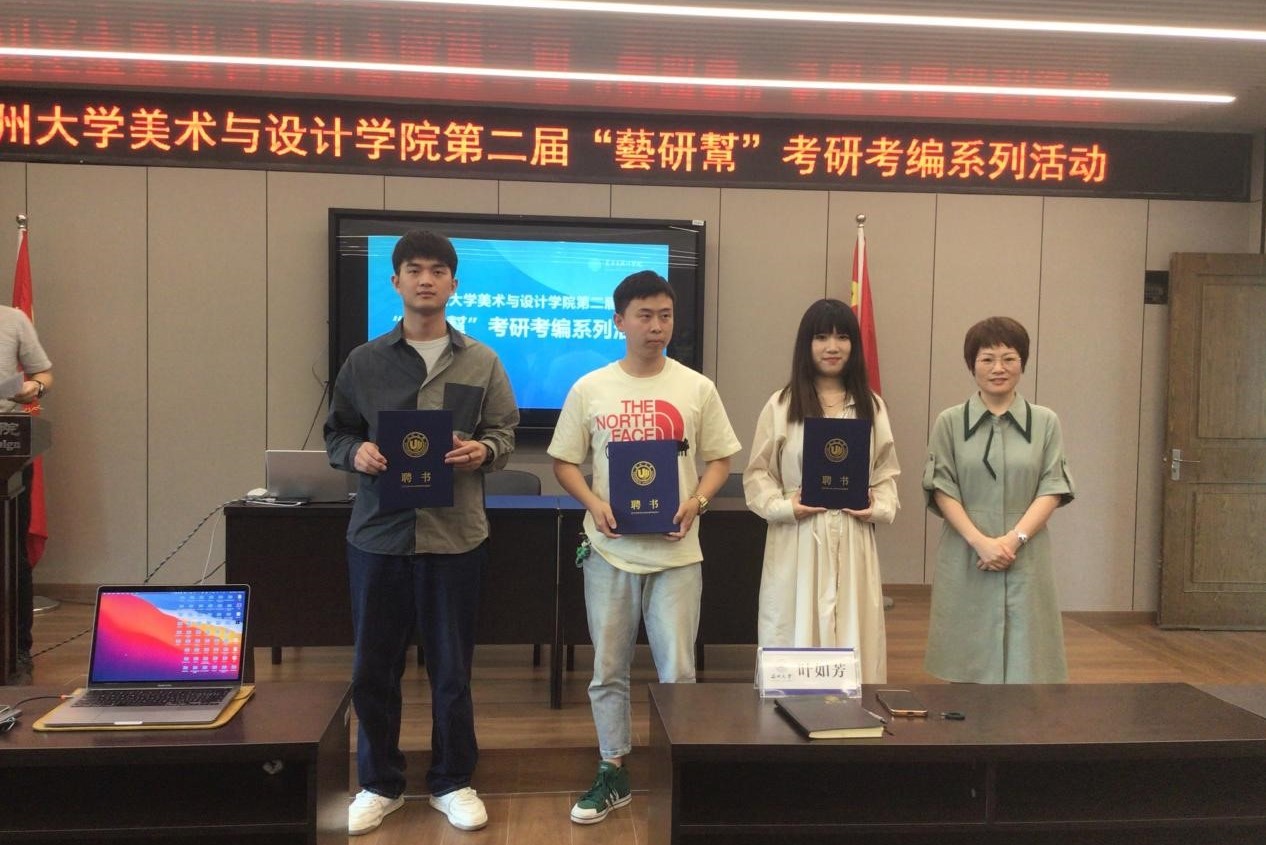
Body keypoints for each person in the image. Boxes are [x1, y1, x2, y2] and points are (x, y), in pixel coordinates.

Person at [325, 230, 519, 835]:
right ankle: (378, 783)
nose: (426, 279)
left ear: (454, 284)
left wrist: (483, 451)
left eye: (438, 270)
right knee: (372, 670)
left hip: (455, 538)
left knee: (452, 671)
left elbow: (505, 434)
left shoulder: (482, 360)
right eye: (414, 269)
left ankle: (453, 781)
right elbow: (337, 433)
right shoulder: (364, 361)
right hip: (378, 537)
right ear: (396, 281)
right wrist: (355, 454)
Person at [548, 270, 741, 825]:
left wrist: (697, 502)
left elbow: (720, 459)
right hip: (609, 553)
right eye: (645, 316)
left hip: (677, 555)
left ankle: (680, 769)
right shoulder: (590, 388)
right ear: (620, 321)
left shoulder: (696, 388)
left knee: (678, 671)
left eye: (665, 316)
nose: (657, 327)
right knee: (607, 670)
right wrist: (594, 503)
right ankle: (613, 768)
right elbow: (564, 461)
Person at [743, 299, 899, 683]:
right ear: (806, 344)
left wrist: (876, 505)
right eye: (821, 337)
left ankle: (850, 715)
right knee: (794, 629)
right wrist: (785, 506)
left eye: (842, 337)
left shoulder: (871, 406)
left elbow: (885, 473)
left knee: (852, 629)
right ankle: (790, 714)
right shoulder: (781, 405)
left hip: (851, 533)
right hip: (798, 535)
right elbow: (758, 474)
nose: (832, 347)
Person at [922, 316, 1075, 683]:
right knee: (965, 659)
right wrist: (980, 542)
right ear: (971, 365)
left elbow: (1052, 486)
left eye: (1009, 358)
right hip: (966, 550)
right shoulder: (949, 421)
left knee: (1028, 663)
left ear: (1023, 362)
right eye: (987, 359)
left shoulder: (1045, 422)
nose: (998, 368)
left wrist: (1012, 540)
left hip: (1026, 551)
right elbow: (942, 486)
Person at [0, 304, 53, 687]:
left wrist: (33, 388)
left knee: (10, 554)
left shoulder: (13, 319)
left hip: (6, 442)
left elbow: (44, 374)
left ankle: (16, 652)